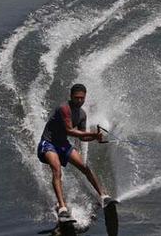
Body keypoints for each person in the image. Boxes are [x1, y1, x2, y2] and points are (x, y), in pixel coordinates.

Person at [37, 83, 113, 219]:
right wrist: (94, 135)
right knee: (56, 169)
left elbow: (83, 137)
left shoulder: (82, 115)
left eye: (82, 98)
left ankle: (103, 196)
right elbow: (70, 131)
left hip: (62, 145)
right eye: (76, 98)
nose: (79, 101)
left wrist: (96, 138)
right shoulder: (64, 108)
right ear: (71, 96)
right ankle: (62, 207)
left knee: (85, 167)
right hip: (48, 144)